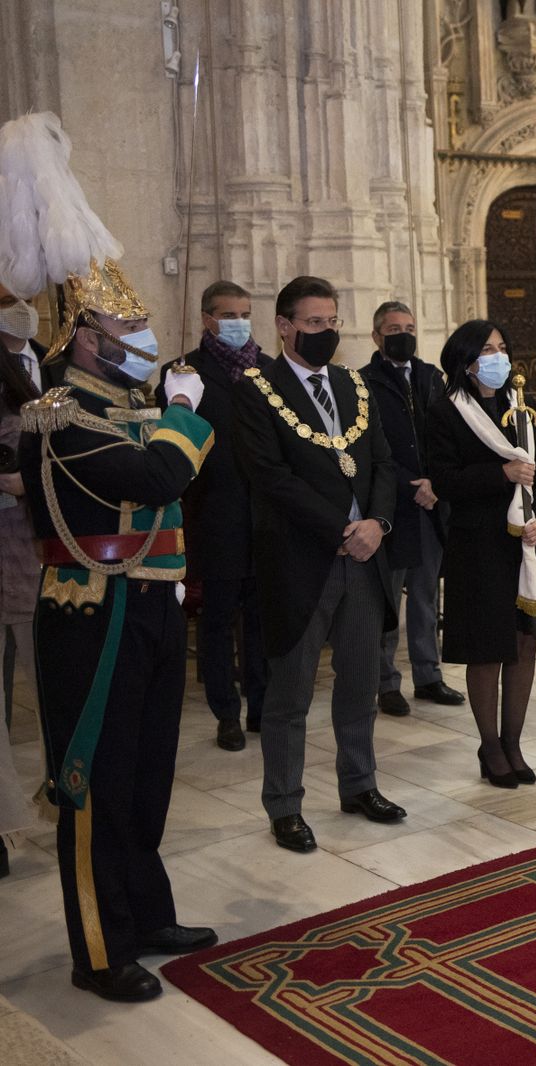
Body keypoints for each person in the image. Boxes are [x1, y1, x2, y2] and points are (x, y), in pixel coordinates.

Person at [5, 108, 217, 1000]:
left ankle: (147, 910)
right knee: (93, 782)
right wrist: (182, 409)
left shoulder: (125, 409)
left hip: (156, 605)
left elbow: (170, 469)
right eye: (123, 330)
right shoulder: (60, 418)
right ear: (85, 340)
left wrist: (172, 414)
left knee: (150, 772)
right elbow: (161, 476)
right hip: (90, 612)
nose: (141, 342)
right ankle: (99, 948)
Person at [232, 276, 406, 854]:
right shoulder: (257, 390)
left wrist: (377, 525)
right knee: (290, 694)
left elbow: (383, 461)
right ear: (283, 327)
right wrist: (341, 530)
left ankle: (360, 785)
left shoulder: (353, 385)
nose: (326, 333)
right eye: (313, 324)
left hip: (366, 555)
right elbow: (271, 478)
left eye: (332, 322)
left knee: (359, 683)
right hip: (302, 560)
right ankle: (284, 805)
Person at [427, 321, 536, 787]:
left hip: (528, 541)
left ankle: (513, 741)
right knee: (487, 649)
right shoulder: (446, 412)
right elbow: (445, 479)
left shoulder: (523, 410)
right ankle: (489, 745)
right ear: (467, 362)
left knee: (524, 643)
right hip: (479, 543)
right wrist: (503, 474)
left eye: (503, 348)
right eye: (488, 350)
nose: (499, 357)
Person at [156, 280, 267, 752]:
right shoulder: (185, 373)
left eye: (245, 313)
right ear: (207, 319)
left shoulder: (271, 369)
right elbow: (176, 441)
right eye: (229, 314)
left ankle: (262, 703)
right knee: (219, 618)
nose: (239, 323)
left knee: (263, 615)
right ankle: (227, 712)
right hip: (215, 512)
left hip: (266, 514)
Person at [366, 300, 464, 717]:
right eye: (393, 328)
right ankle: (385, 682)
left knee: (425, 595)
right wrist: (412, 485)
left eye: (408, 326)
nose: (402, 334)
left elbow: (445, 435)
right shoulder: (362, 382)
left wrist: (436, 484)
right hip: (391, 506)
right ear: (377, 336)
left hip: (431, 504)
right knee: (387, 599)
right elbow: (373, 448)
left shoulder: (431, 377)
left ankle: (428, 675)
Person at [0, 286, 44, 880]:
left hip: (31, 553)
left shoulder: (45, 371)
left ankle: (66, 793)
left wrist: (26, 482)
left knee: (56, 681)